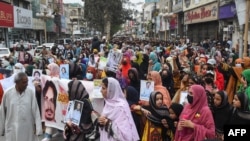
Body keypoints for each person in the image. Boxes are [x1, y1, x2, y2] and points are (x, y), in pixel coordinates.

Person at [0, 72, 42, 141]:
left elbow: (36, 111)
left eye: (27, 82)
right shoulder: (7, 93)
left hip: (27, 128)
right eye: (24, 82)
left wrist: (38, 128)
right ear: (17, 82)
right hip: (12, 128)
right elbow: (2, 113)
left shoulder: (30, 92)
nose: (27, 84)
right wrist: (1, 129)